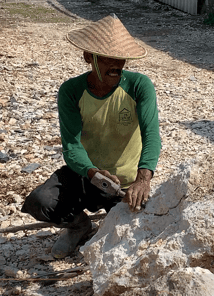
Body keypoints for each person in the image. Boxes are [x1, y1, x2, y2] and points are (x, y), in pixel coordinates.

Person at [21, 14, 161, 259]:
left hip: (124, 184)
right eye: (108, 58)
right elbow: (72, 146)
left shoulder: (139, 86)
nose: (117, 64)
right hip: (86, 176)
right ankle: (79, 226)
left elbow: (152, 135)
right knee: (41, 202)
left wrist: (143, 179)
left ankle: (109, 220)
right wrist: (93, 172)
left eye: (121, 58)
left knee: (134, 239)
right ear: (89, 57)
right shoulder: (71, 91)